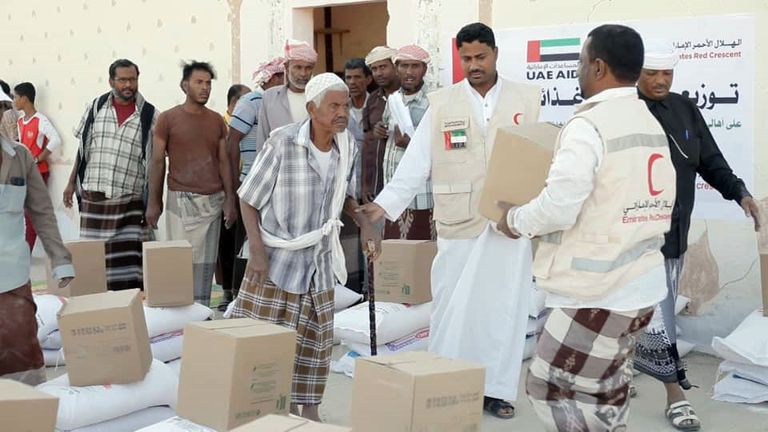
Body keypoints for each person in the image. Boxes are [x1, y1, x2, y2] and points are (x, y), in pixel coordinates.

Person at [358, 23, 541, 419]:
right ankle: (445, 381)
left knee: (505, 309)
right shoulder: (443, 103)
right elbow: (415, 164)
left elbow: (538, 156)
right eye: (466, 58)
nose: (473, 65)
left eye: (481, 57)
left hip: (510, 223)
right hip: (458, 221)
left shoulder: (527, 98)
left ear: (495, 53)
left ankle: (497, 389)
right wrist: (382, 207)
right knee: (450, 307)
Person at [503, 25, 676, 431]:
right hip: (642, 285)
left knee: (548, 385)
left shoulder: (589, 126)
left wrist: (513, 220)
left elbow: (559, 207)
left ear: (598, 66)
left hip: (598, 290)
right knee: (607, 388)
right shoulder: (647, 120)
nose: (578, 70)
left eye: (581, 62)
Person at [231, 73, 381, 421]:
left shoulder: (348, 147)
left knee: (315, 344)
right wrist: (255, 251)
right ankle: (257, 409)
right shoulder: (282, 142)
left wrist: (366, 226)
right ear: (312, 108)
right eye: (334, 105)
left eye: (345, 105)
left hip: (319, 261)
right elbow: (248, 199)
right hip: (275, 260)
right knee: (264, 343)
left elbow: (345, 196)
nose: (342, 112)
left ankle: (309, 411)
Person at [632, 39, 761, 431]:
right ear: (636, 73)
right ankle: (676, 395)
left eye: (666, 74)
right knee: (647, 316)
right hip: (628, 237)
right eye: (651, 73)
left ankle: (637, 376)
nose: (659, 81)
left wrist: (739, 192)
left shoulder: (686, 109)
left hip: (671, 235)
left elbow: (710, 160)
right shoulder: (622, 112)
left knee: (659, 314)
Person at [146, 61, 235, 307]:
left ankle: (201, 314)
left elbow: (223, 161)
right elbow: (156, 162)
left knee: (205, 266)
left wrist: (230, 200)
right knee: (180, 261)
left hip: (213, 202)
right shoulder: (167, 119)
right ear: (184, 85)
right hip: (180, 201)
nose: (205, 88)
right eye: (199, 82)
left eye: (208, 83)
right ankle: (178, 313)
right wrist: (154, 202)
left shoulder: (217, 120)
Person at [64, 59, 157, 291]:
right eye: (122, 79)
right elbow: (83, 149)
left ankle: (126, 314)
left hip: (130, 202)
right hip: (94, 198)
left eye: (132, 79)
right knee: (94, 265)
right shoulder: (95, 107)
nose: (128, 85)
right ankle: (97, 312)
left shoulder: (150, 115)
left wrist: (155, 201)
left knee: (128, 268)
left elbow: (156, 163)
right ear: (111, 81)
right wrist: (69, 183)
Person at [0, 134, 74, 386]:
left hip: (12, 277)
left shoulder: (20, 157)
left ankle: (29, 412)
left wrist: (60, 259)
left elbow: (41, 210)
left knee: (21, 355)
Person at [219, 57, 286, 311]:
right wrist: (237, 187)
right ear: (271, 79)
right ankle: (239, 299)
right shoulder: (251, 102)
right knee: (247, 243)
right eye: (280, 77)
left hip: (278, 186)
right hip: (252, 183)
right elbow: (232, 142)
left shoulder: (283, 103)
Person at [381, 44, 434, 240]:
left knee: (420, 257)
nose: (409, 72)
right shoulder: (393, 100)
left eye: (415, 66)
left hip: (420, 196)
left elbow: (440, 148)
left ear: (424, 70)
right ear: (397, 69)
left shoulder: (433, 102)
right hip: (393, 194)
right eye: (404, 66)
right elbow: (389, 131)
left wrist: (410, 144)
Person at [13, 82, 63, 250]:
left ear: (24, 98)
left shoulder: (40, 120)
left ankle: (26, 252)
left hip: (38, 173)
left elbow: (56, 139)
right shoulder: (20, 121)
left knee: (31, 215)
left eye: (16, 97)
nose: (14, 101)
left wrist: (38, 158)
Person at [254, 40, 318, 150]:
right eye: (298, 67)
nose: (303, 74)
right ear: (287, 67)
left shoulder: (321, 97)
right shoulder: (270, 98)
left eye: (308, 68)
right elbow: (262, 142)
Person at [360, 46, 399, 204]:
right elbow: (367, 143)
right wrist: (365, 185)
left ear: (395, 66)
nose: (378, 73)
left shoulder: (409, 96)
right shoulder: (373, 99)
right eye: (374, 69)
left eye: (383, 67)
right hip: (377, 185)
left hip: (403, 183)